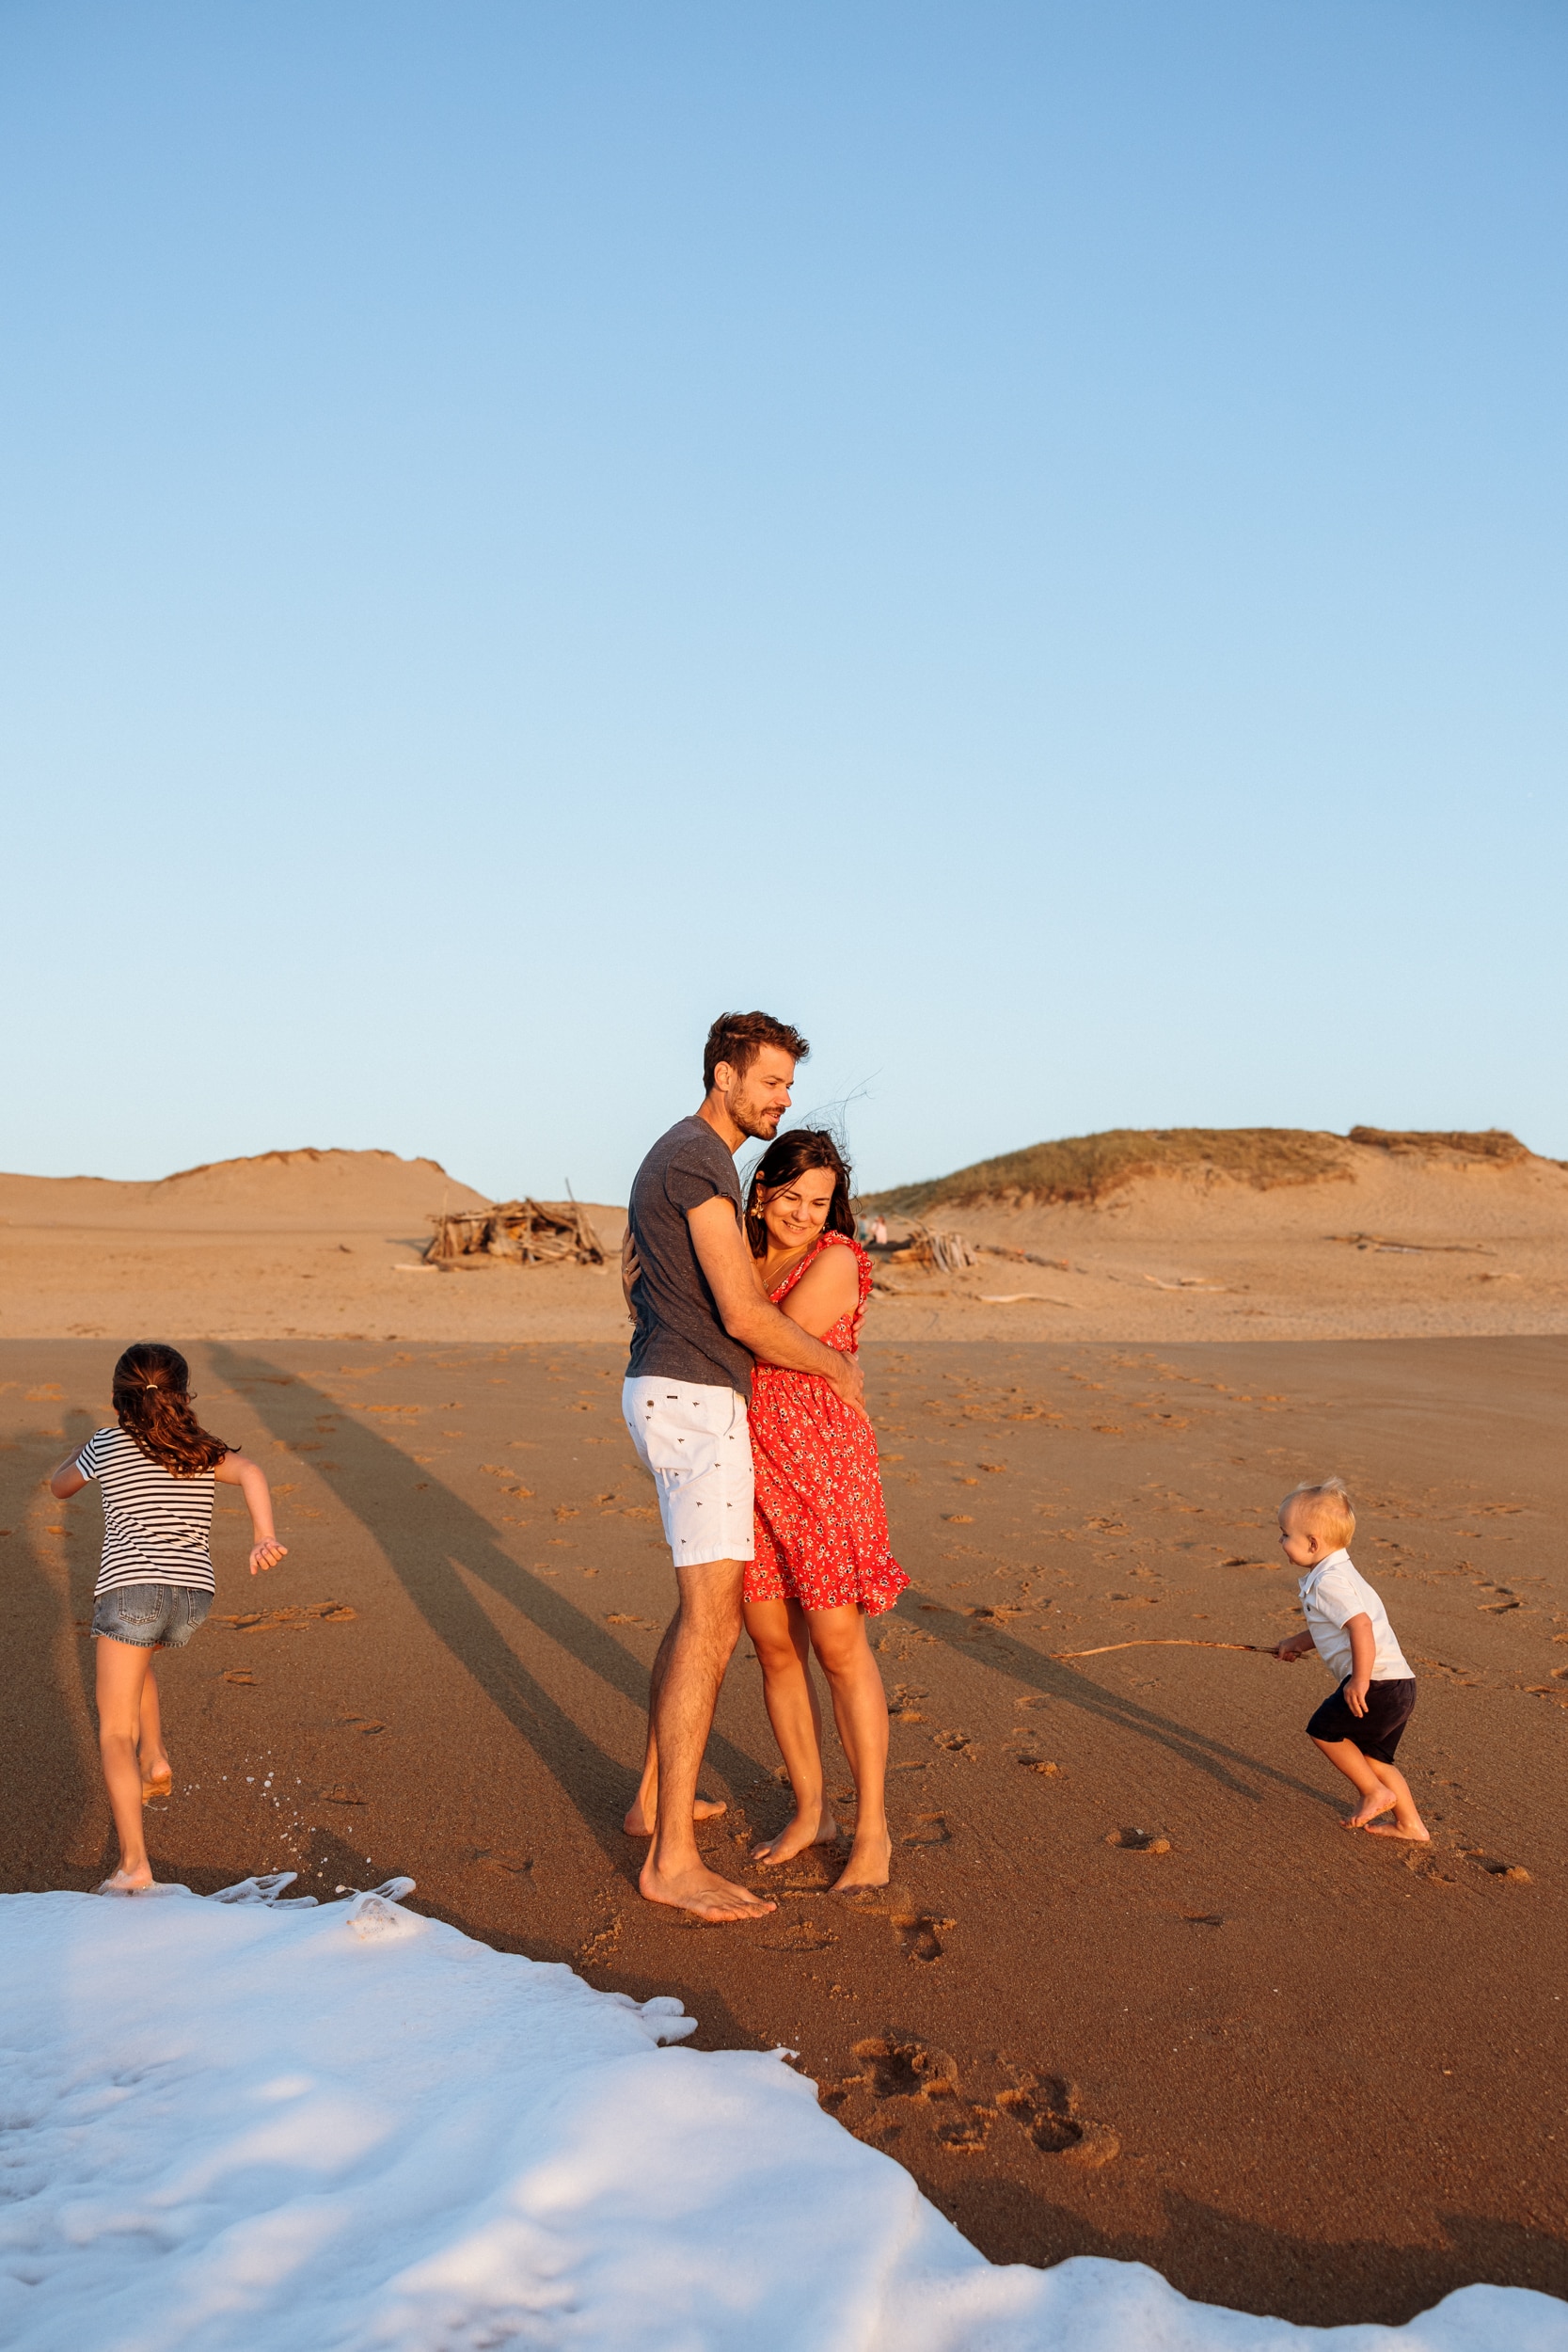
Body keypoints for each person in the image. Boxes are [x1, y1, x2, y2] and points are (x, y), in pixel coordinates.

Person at [621, 1011, 867, 1923]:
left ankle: (654, 1802)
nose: (781, 1097)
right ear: (723, 1075)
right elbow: (741, 1310)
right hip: (694, 1399)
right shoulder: (697, 1157)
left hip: (669, 1391)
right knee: (712, 1625)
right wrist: (837, 1366)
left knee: (698, 1614)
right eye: (769, 1081)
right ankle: (671, 1862)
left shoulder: (688, 1159)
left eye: (786, 1085)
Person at [49, 1343, 287, 1894]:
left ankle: (134, 1864)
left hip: (132, 1589)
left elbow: (60, 1486)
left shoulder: (107, 1442)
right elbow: (251, 1471)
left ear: (118, 1399)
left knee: (112, 1730)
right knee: (137, 1662)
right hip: (192, 1598)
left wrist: (81, 1451)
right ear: (181, 1394)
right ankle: (154, 1757)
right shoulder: (199, 1446)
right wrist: (263, 1535)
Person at [741, 1128, 907, 1891]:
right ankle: (813, 1810)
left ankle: (871, 1827)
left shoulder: (836, 1257)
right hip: (746, 1465)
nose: (804, 1214)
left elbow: (772, 1342)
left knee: (840, 1647)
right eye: (791, 1198)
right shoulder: (739, 1259)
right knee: (774, 1646)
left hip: (820, 1469)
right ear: (761, 1189)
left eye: (818, 1201)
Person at [1273, 1477, 1429, 1841]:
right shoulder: (1337, 1573)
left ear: (1312, 1543)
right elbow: (1336, 1627)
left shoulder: (1329, 1582)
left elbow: (1360, 1627)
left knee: (1324, 1731)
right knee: (1374, 1759)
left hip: (1375, 1682)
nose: (1280, 1541)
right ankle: (1410, 1824)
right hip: (1398, 1683)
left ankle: (1374, 1793)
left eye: (1284, 1534)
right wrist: (1297, 1642)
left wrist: (1359, 1680)